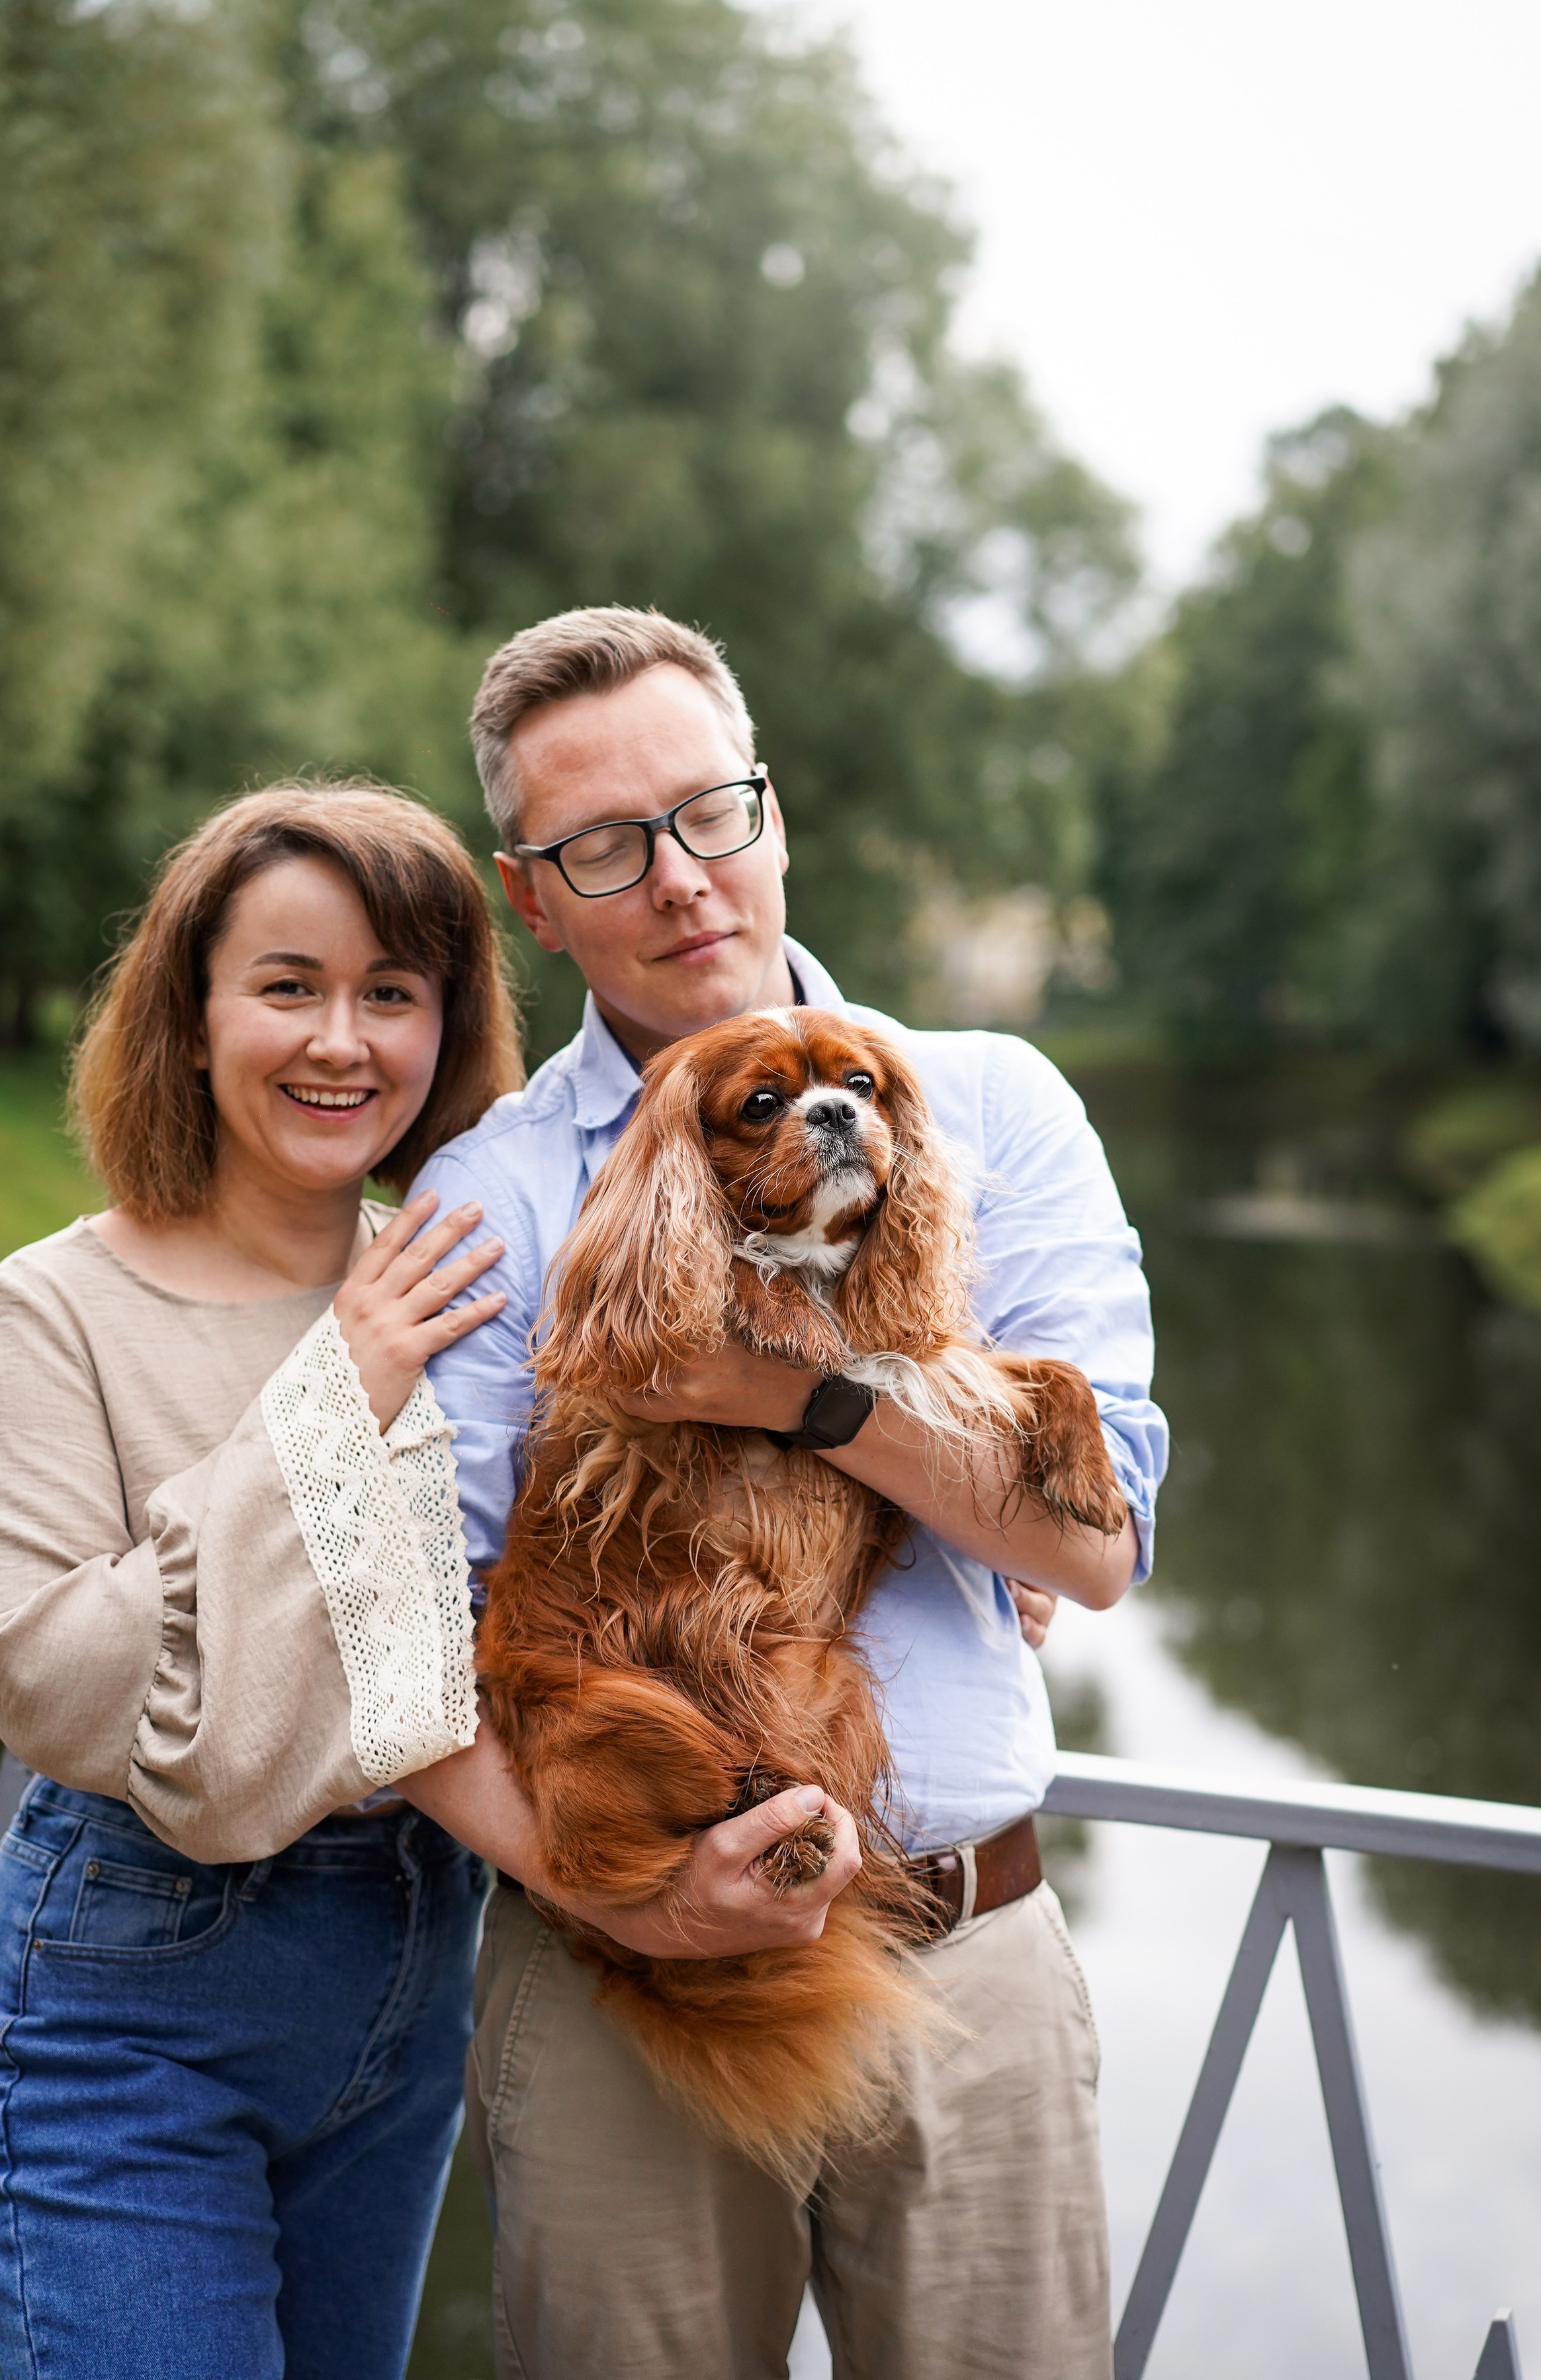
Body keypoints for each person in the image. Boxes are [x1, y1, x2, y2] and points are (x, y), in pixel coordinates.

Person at [0, 780, 856, 2379]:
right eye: (286, 987)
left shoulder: (451, 1270)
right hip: (132, 1995)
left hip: (409, 1968)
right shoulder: (52, 1309)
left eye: (391, 994)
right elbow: (65, 1687)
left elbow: (542, 1585)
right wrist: (327, 1398)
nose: (339, 1043)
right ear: (193, 1010)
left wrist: (904, 1536)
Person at [408, 608, 1170, 2379]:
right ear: (534, 895)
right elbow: (404, 1633)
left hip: (968, 1946)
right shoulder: (494, 1194)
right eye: (608, 843)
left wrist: (801, 1394)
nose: (680, 881)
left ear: (772, 809)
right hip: (618, 1979)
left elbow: (1101, 1543)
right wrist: (628, 1897)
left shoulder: (988, 1104)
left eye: (709, 813)